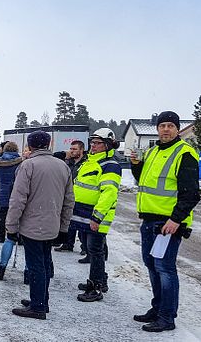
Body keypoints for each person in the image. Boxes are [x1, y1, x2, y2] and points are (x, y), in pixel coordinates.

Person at [130, 111, 200, 332]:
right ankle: (158, 307)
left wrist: (175, 220)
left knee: (165, 268)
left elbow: (190, 194)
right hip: (149, 221)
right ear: (157, 129)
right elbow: (144, 181)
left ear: (177, 129)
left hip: (168, 224)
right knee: (152, 265)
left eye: (171, 125)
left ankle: (167, 317)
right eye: (162, 126)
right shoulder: (151, 152)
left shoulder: (185, 153)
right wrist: (136, 165)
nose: (166, 129)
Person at [5, 131, 74, 319]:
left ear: (31, 145)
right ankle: (42, 299)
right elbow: (69, 200)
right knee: (45, 263)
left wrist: (11, 227)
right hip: (52, 224)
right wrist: (64, 227)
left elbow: (18, 199)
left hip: (32, 225)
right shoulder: (63, 166)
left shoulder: (28, 165)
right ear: (48, 144)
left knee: (36, 266)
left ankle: (38, 306)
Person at [70, 129, 122, 302]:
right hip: (83, 213)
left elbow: (109, 193)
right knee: (90, 249)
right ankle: (100, 280)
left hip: (95, 217)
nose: (93, 146)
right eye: (92, 143)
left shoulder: (110, 165)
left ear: (108, 145)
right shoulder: (90, 161)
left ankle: (96, 288)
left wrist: (97, 217)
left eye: (97, 143)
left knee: (96, 251)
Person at [0, 141, 23, 280]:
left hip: (4, 191)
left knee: (3, 213)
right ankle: (28, 274)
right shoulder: (20, 162)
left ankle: (2, 267)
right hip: (16, 193)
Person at [54, 140, 87, 253]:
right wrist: (65, 154)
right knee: (69, 220)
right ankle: (68, 243)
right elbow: (56, 156)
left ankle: (85, 247)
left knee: (82, 222)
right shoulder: (68, 162)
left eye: (75, 149)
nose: (72, 151)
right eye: (71, 149)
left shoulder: (86, 163)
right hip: (68, 194)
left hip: (81, 196)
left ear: (81, 150)